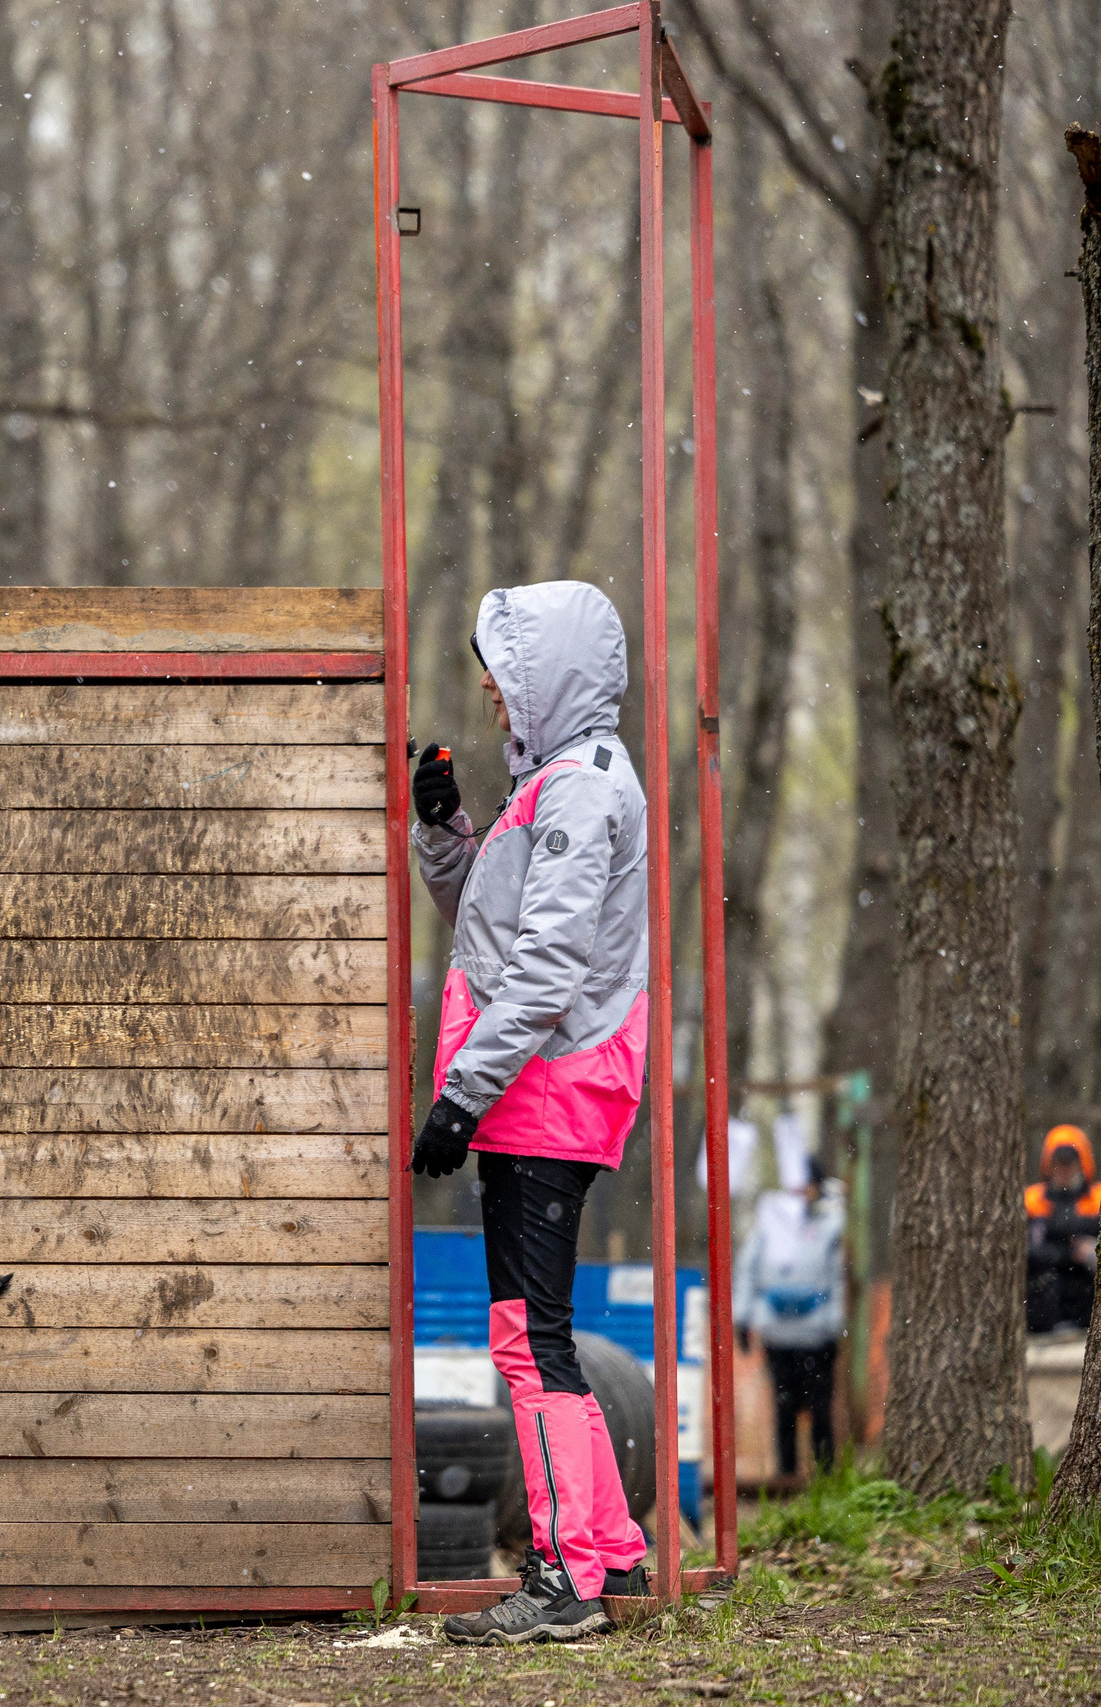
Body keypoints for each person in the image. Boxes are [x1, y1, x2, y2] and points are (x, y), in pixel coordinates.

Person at [410, 581, 653, 1646]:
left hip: (541, 1094)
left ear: (547, 680)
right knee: (539, 1337)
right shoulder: (558, 784)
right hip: (539, 1091)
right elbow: (491, 930)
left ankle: (562, 1578)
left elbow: (547, 968)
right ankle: (608, 1551)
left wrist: (461, 1096)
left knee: (527, 1344)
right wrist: (442, 831)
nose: (493, 700)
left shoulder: (582, 791)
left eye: (505, 682)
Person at [733, 1165, 847, 1480]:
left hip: (817, 1336)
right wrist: (742, 1318)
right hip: (778, 1335)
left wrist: (834, 1325)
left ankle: (826, 1479)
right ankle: (787, 1478)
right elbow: (748, 1271)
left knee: (820, 1409)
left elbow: (837, 1279)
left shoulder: (831, 1227)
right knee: (785, 1409)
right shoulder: (769, 1225)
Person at [1026, 1125, 1101, 1334]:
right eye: (1058, 1164)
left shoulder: (1098, 1199)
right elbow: (1027, 1252)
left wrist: (1091, 1252)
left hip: (1087, 1306)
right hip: (1044, 1311)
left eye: (1070, 1164)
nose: (1064, 1171)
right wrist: (1068, 1253)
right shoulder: (1033, 1200)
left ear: (1082, 1164)